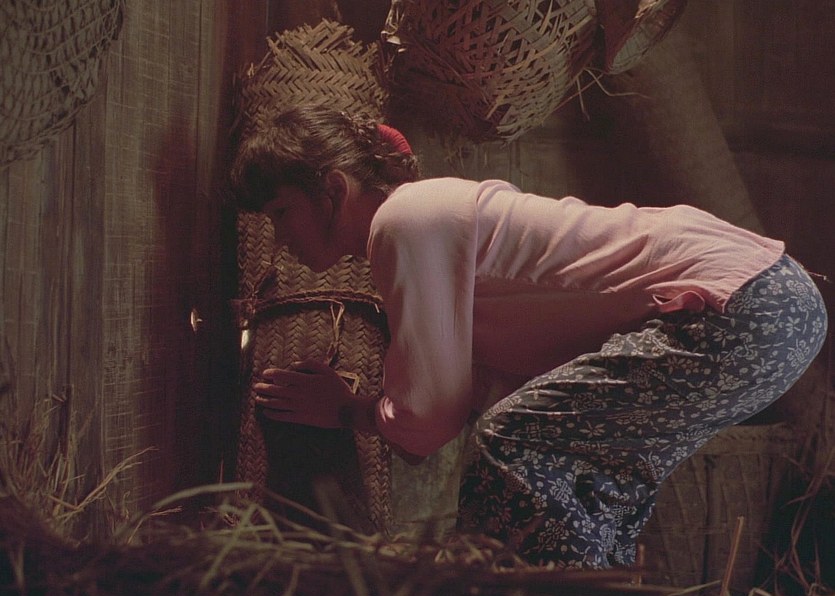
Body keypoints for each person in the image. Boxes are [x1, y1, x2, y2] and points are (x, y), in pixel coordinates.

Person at [230, 103, 828, 569]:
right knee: (593, 483)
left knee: (512, 440)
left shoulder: (403, 221)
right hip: (779, 306)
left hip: (745, 303)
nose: (279, 238)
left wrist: (346, 409)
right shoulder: (432, 227)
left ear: (333, 189)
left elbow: (429, 416)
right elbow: (442, 418)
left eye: (281, 212)